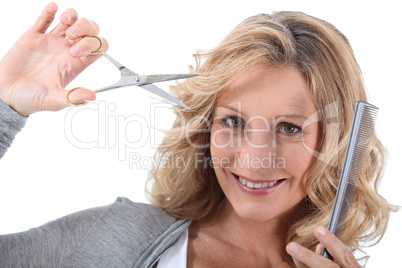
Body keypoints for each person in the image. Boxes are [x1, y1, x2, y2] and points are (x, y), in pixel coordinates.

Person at [0, 2, 396, 268]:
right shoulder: (115, 238)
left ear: (339, 141)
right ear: (205, 127)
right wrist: (5, 109)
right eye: (232, 122)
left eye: (289, 128)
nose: (255, 159)